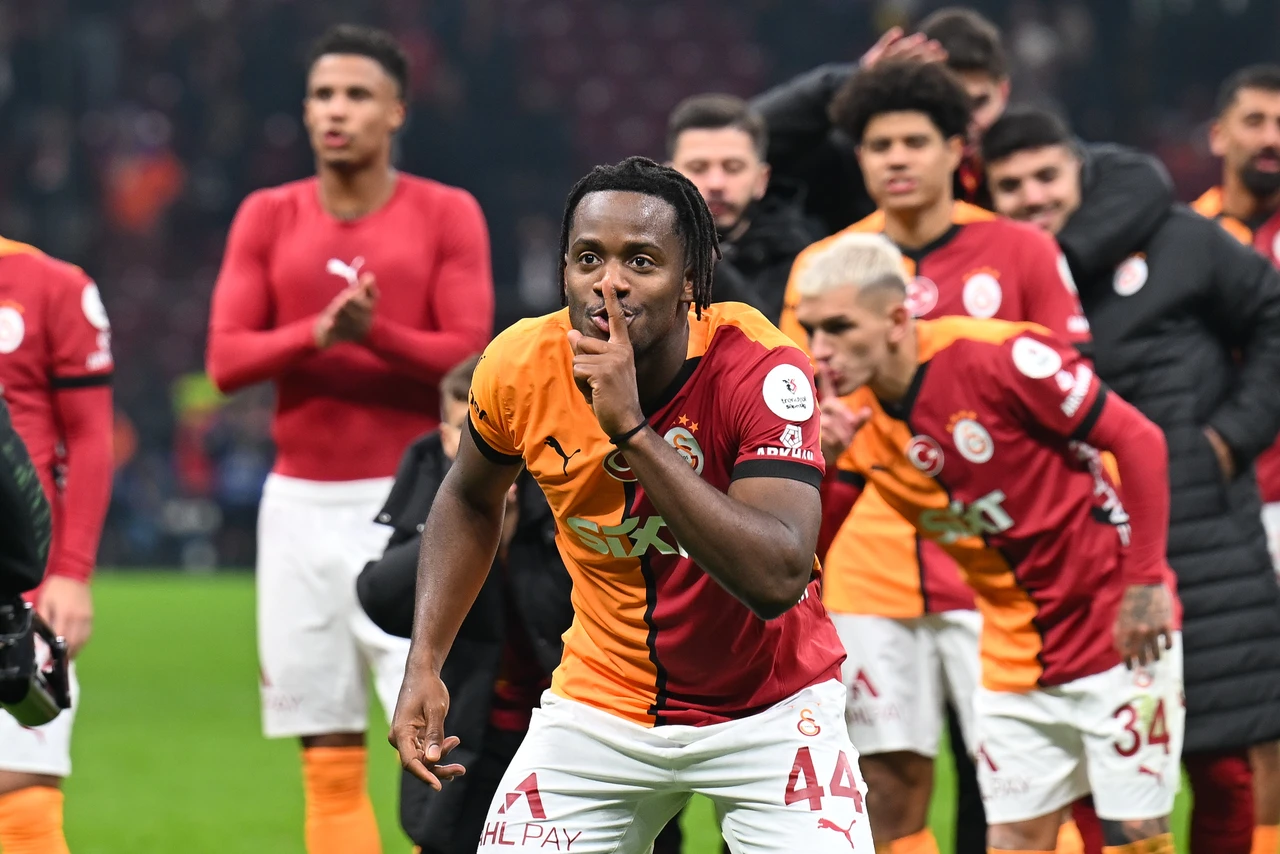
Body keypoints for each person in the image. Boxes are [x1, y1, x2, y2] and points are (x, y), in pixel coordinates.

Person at [391, 156, 873, 853]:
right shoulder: (519, 364)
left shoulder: (763, 368)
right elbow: (468, 498)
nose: (608, 282)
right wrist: (424, 662)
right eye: (588, 258)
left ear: (690, 280)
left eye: (640, 261)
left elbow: (777, 576)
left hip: (770, 707)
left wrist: (633, 430)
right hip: (601, 702)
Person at [776, 58, 1089, 854]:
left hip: (996, 565)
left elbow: (1070, 400)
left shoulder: (1020, 251)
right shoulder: (821, 267)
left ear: (958, 150)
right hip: (870, 568)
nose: (897, 158)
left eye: (916, 140)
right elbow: (798, 406)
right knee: (889, 779)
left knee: (1026, 779)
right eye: (879, 144)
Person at [794, 231, 1183, 854]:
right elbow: (811, 552)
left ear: (898, 318)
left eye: (839, 327)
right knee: (1014, 840)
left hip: (1115, 625)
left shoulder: (1000, 357)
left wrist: (1145, 584)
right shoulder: (848, 415)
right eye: (811, 330)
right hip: (1009, 644)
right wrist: (831, 467)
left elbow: (1140, 441)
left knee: (1134, 838)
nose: (821, 351)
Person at [205, 24, 494, 854]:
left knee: (438, 735)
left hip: (414, 503)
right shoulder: (268, 214)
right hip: (296, 504)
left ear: (397, 110)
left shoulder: (446, 212)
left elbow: (470, 354)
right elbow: (225, 359)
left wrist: (374, 335)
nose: (338, 111)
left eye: (358, 95)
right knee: (325, 745)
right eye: (324, 96)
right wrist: (319, 334)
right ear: (304, 112)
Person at [982, 106, 1280, 854]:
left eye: (1047, 176)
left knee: (1220, 760)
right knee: (1090, 767)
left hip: (1201, 527)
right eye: (1011, 185)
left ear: (1079, 172)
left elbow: (1275, 316)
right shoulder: (1004, 277)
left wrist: (1232, 437)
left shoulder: (1179, 239)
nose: (1033, 197)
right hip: (1074, 550)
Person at [750, 7, 1171, 283]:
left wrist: (1048, 265)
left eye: (978, 103)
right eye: (948, 104)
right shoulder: (863, 165)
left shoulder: (1024, 166)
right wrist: (845, 84)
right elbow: (741, 146)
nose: (966, 124)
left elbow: (1141, 178)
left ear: (1004, 92)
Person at [355, 355, 573, 854]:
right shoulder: (433, 482)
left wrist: (516, 545)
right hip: (471, 733)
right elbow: (379, 598)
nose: (482, 439)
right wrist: (468, 538)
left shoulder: (564, 482)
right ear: (446, 437)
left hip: (567, 727)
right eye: (465, 427)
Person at [1188, 66, 1280, 854]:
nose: (1271, 138)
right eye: (1254, 120)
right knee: (1253, 709)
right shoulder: (1185, 240)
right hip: (1228, 504)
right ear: (1219, 135)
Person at [0, 238, 115, 854]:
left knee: (20, 795)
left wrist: (71, 571)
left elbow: (91, 434)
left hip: (16, 580)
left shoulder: (53, 284)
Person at [666, 93, 821, 323]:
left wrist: (706, 263)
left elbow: (783, 349)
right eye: (698, 167)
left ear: (761, 179)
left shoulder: (805, 262)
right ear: (668, 177)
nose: (716, 183)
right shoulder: (638, 252)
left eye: (733, 168)